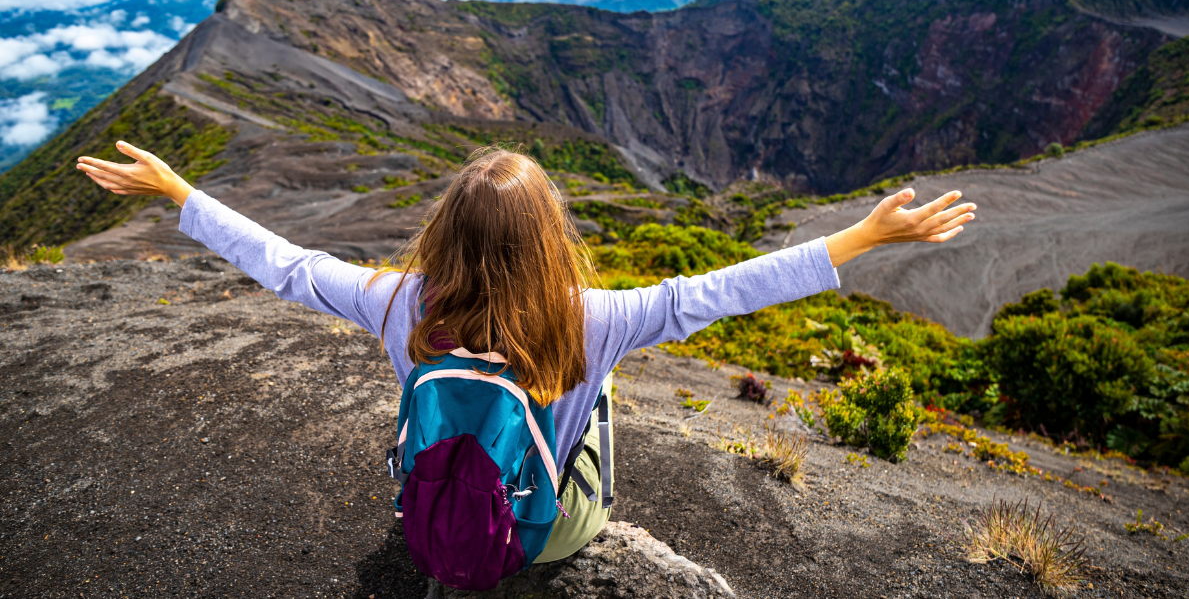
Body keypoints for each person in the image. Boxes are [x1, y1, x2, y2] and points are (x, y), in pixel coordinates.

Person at [76, 140, 976, 562]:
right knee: (610, 383)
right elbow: (725, 289)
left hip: (434, 519)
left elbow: (287, 265)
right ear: (548, 238)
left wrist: (178, 189)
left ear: (442, 232)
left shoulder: (399, 303)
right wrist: (859, 238)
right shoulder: (595, 317)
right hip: (543, 533)